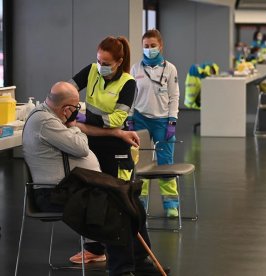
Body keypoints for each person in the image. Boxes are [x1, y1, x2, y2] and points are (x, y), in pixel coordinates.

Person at [23, 82, 164, 276]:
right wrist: (74, 127)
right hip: (54, 193)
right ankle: (121, 271)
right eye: (75, 108)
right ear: (66, 109)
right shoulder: (45, 122)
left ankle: (139, 263)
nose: (77, 112)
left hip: (73, 188)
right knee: (116, 211)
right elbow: (80, 146)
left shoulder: (54, 117)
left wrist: (71, 126)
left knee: (130, 200)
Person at [68, 36, 164, 275]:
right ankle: (97, 249)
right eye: (99, 59)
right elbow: (69, 91)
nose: (100, 65)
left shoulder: (128, 83)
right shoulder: (91, 71)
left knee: (126, 203)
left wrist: (81, 117)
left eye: (106, 62)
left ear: (120, 62)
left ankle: (142, 261)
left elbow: (116, 120)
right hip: (92, 149)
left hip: (117, 153)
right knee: (96, 200)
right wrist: (73, 106)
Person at [129, 29, 180, 218]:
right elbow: (131, 96)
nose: (149, 49)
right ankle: (140, 203)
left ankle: (171, 204)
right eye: (146, 46)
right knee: (140, 163)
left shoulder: (170, 69)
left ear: (160, 46)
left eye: (153, 46)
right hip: (140, 119)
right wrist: (130, 118)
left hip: (163, 121)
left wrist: (172, 120)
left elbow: (174, 96)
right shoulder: (136, 69)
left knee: (165, 163)